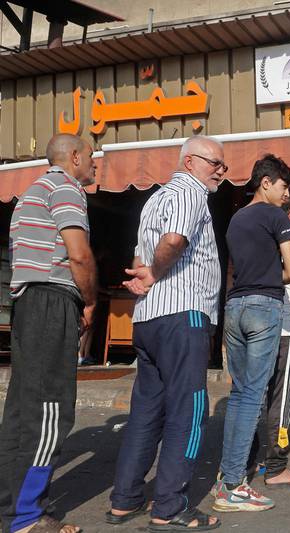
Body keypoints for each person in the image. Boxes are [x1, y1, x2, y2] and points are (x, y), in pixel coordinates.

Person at [107, 136, 224, 531]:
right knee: (189, 411)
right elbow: (173, 241)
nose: (221, 172)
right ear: (190, 162)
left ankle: (125, 500)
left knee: (146, 412)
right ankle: (170, 505)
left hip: (149, 318)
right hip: (183, 316)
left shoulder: (153, 200)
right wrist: (155, 274)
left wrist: (144, 280)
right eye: (215, 164)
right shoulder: (191, 193)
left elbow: (140, 255)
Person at [0, 134, 97, 533]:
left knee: (22, 410)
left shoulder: (29, 194)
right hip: (52, 303)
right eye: (91, 157)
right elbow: (78, 253)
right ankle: (25, 517)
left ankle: (11, 508)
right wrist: (89, 301)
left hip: (27, 306)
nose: (95, 165)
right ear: (73, 157)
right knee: (51, 411)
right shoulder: (66, 189)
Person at [213, 155, 290, 512]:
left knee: (239, 394)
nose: (286, 193)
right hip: (264, 307)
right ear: (266, 182)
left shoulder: (235, 219)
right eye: (283, 186)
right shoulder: (276, 216)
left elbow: (240, 268)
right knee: (252, 396)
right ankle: (233, 484)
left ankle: (226, 475)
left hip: (234, 307)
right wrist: (274, 274)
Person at [247, 197, 290, 488]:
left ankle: (248, 460)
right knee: (282, 399)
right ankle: (276, 467)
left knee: (253, 397)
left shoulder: (250, 240)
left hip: (253, 327)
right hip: (287, 329)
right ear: (289, 216)